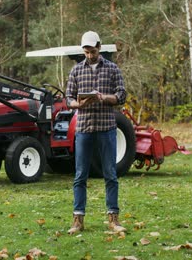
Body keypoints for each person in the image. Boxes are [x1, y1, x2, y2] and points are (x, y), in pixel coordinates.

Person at [65, 31, 127, 234]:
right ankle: (78, 219)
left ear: (99, 47)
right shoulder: (76, 71)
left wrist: (104, 98)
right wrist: (78, 103)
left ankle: (113, 218)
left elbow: (121, 95)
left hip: (106, 128)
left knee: (110, 174)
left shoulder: (112, 69)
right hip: (84, 128)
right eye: (86, 52)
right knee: (80, 175)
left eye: (92, 51)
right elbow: (68, 98)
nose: (89, 55)